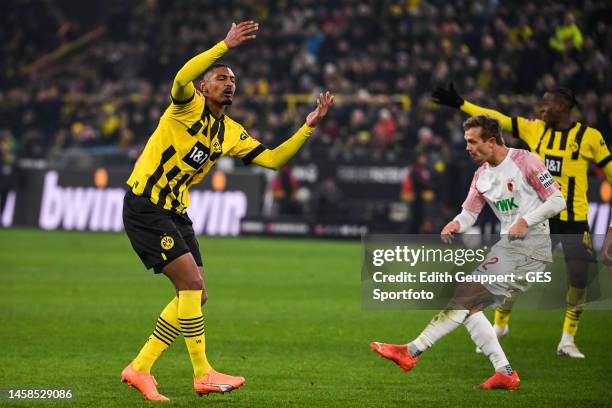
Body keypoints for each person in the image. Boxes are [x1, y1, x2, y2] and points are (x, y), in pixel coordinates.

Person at [120, 21, 334, 401]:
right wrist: (224, 45)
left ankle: (140, 368)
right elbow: (181, 75)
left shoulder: (230, 132)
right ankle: (202, 373)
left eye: (232, 79)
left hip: (175, 212)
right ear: (204, 87)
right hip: (146, 206)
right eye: (221, 77)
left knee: (196, 294)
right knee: (189, 285)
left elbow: (272, 160)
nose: (229, 82)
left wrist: (307, 126)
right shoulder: (186, 106)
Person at [371, 115, 565, 390]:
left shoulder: (526, 161)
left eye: (473, 142)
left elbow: (558, 200)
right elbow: (470, 213)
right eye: (466, 142)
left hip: (532, 245)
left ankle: (411, 351)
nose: (468, 147)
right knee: (470, 307)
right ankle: (504, 372)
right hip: (508, 247)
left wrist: (526, 220)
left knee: (465, 294)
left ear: (492, 141)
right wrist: (456, 223)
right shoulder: (481, 174)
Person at [432, 83, 612, 358]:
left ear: (563, 107)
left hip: (573, 218)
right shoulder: (535, 129)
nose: (541, 109)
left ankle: (567, 339)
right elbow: (497, 118)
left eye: (547, 104)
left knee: (579, 276)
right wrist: (461, 104)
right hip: (536, 217)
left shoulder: (590, 137)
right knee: (517, 274)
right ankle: (500, 325)